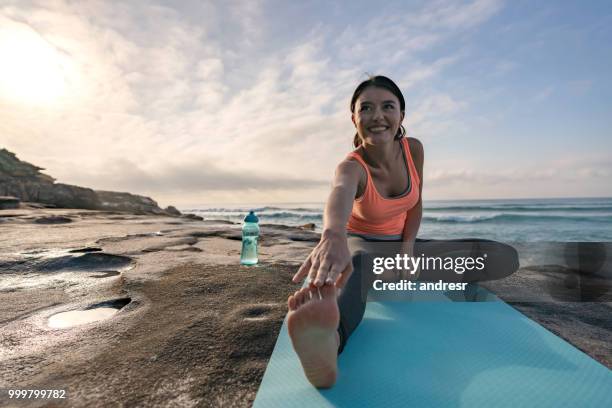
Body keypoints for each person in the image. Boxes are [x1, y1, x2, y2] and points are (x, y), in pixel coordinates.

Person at [287, 75, 423, 388]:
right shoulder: (351, 167)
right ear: (354, 119)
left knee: (476, 253)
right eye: (367, 109)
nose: (378, 116)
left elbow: (415, 204)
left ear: (401, 115)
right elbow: (340, 192)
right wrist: (333, 234)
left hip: (398, 245)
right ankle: (328, 343)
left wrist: (407, 249)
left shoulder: (413, 150)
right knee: (359, 265)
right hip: (361, 244)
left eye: (388, 106)